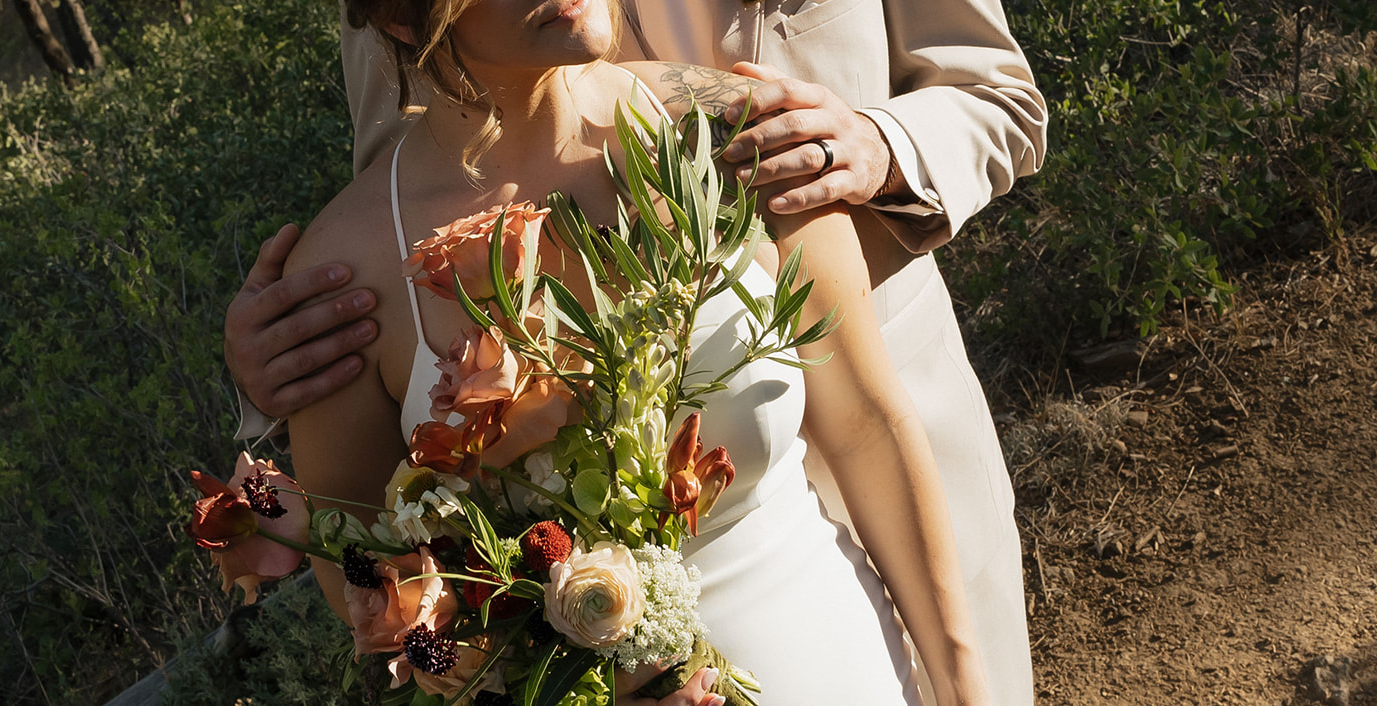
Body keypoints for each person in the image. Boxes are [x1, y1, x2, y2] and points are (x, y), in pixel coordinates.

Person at [228, 1, 1047, 703]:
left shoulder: (733, 124)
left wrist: (963, 685)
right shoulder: (353, 266)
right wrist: (498, 664)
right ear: (405, 16)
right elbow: (363, 563)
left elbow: (867, 422)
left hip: (840, 653)